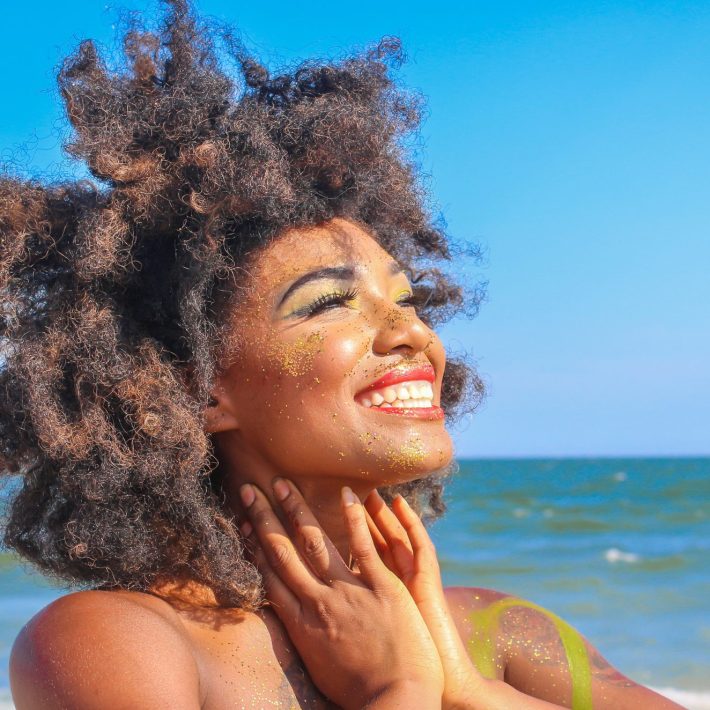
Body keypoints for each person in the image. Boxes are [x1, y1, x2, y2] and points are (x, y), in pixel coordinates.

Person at [0, 2, 683, 708]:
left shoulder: (494, 631)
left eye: (407, 300)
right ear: (197, 389)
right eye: (329, 302)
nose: (411, 333)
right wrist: (399, 690)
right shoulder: (115, 640)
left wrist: (469, 690)